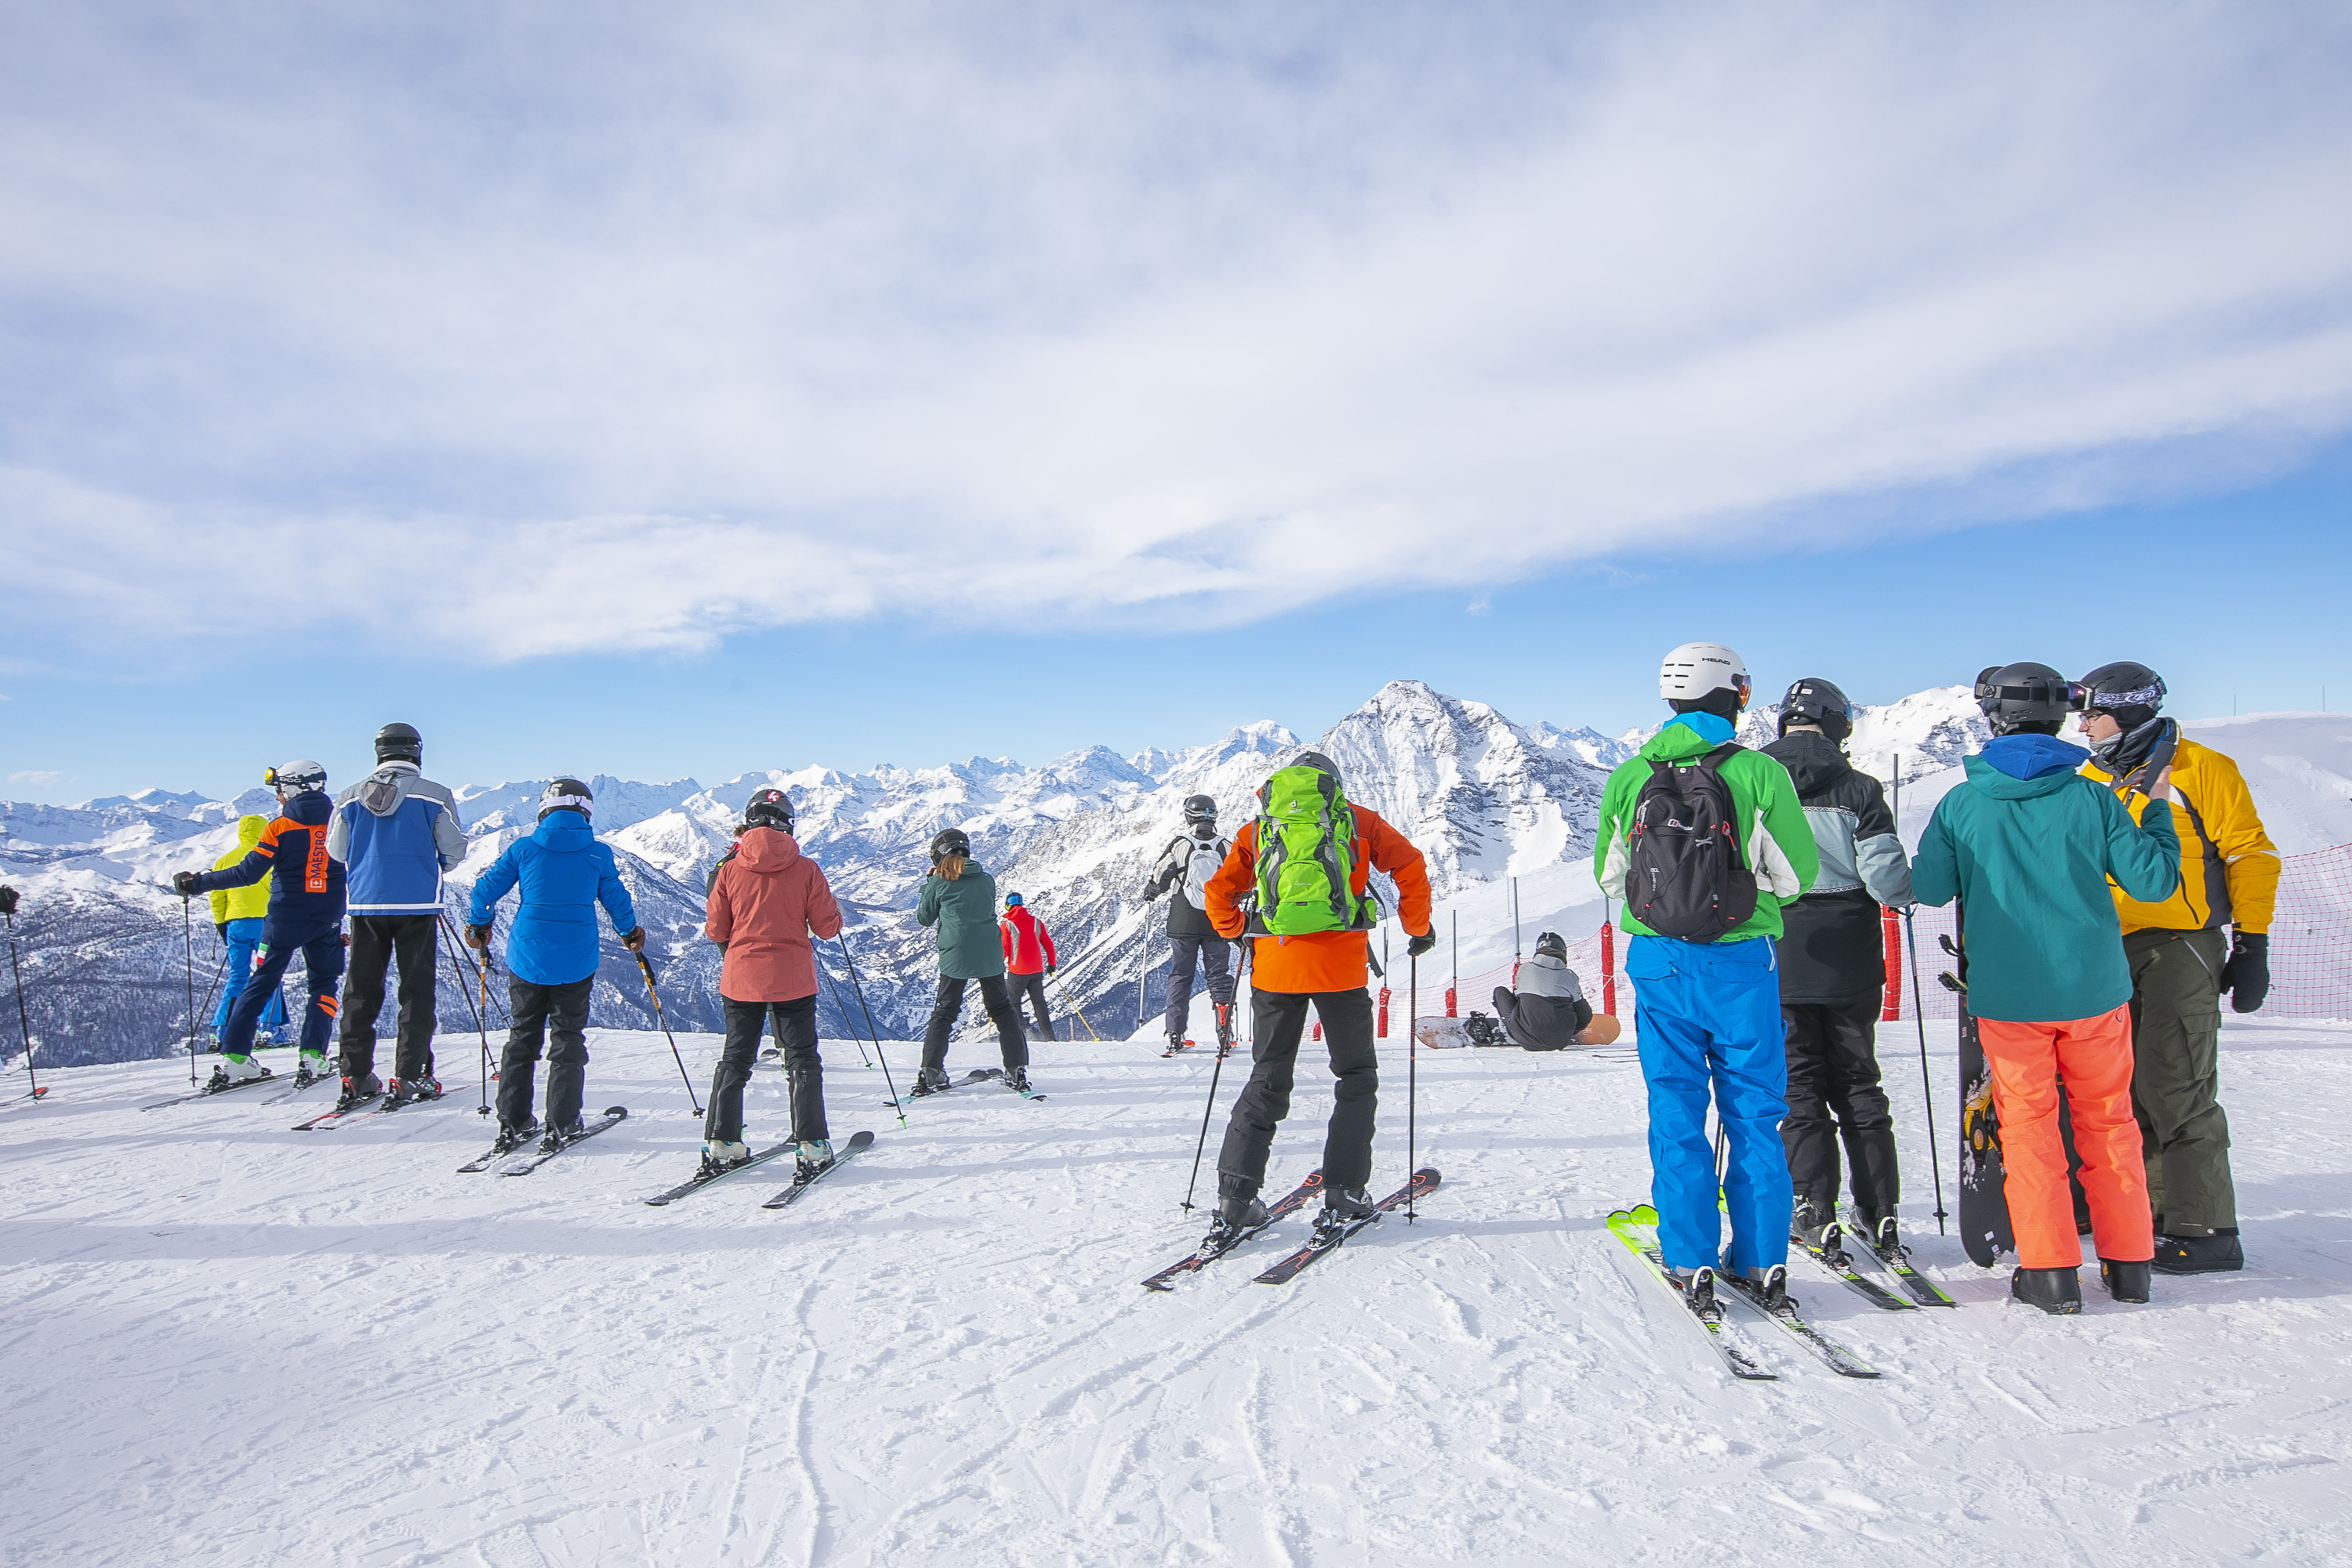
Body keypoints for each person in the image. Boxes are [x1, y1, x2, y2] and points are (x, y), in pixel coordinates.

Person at [1911, 661, 2180, 1313]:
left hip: (2009, 1002)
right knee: (2110, 1124)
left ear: (1993, 719)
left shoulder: (1963, 803)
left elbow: (1929, 889)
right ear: (2060, 718)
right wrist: (2156, 809)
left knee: (2031, 1133)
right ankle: (2130, 1267)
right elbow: (2153, 883)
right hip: (2095, 993)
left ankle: (2050, 1273)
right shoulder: (2093, 798)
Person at [1593, 643, 1818, 1306]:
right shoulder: (1760, 772)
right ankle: (1761, 1260)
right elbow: (1797, 877)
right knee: (1755, 1112)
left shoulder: (1630, 776)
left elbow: (1609, 877)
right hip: (1741, 962)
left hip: (1660, 963)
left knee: (1675, 1107)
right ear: (1733, 695)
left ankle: (1689, 1257)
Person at [2076, 660, 2278, 1275]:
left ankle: (2206, 1227)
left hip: (2179, 944)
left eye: (2094, 714)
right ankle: (2152, 1211)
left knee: (2177, 1081)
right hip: (2107, 947)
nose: (2084, 727)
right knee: (2121, 1086)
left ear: (2130, 711)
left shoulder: (2202, 769)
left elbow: (2250, 853)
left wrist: (2252, 944)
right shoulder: (2091, 777)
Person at [1203, 750, 1433, 1244]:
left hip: (1276, 968)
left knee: (1267, 1077)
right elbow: (1410, 866)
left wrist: (1237, 929)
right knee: (1355, 1076)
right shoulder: (1361, 822)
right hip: (1340, 970)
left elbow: (1218, 891)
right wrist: (1418, 928)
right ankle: (1344, 1192)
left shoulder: (1261, 828)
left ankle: (1235, 1199)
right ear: (1335, 786)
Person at [1759, 677, 1917, 1256]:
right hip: (1852, 954)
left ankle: (1811, 1205)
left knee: (1799, 1082)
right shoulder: (1860, 789)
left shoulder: (1754, 783)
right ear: (1838, 726)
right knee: (1858, 1080)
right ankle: (1880, 1210)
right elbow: (1887, 882)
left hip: (1778, 952)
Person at [465, 779, 644, 1152]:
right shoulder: (597, 853)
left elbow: (484, 891)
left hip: (528, 956)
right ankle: (563, 1122)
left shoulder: (523, 849)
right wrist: (629, 933)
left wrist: (479, 925)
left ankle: (512, 1121)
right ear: (586, 811)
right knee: (568, 1038)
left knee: (522, 1036)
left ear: (544, 809)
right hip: (576, 958)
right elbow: (616, 900)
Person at [171, 762, 347, 1092]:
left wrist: (198, 883)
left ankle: (236, 1058)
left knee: (260, 983)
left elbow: (247, 873)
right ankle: (313, 1057)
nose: (278, 796)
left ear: (294, 788)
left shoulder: (279, 827)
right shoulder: (342, 823)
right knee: (323, 984)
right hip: (327, 920)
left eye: (280, 788)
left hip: (282, 920)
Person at [699, 788, 844, 1180]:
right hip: (793, 978)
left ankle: (722, 1142)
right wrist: (835, 914)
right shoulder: (807, 869)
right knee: (802, 1059)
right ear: (787, 824)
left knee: (735, 1059)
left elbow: (716, 930)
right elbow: (826, 928)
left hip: (742, 977)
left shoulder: (729, 869)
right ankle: (812, 1145)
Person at [328, 722, 467, 1107]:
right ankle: (411, 1074)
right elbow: (453, 850)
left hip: (365, 903)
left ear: (379, 752)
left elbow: (337, 852)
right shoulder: (435, 795)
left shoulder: (349, 797)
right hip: (417, 904)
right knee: (416, 991)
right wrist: (432, 864)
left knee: (360, 990)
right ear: (416, 752)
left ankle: (355, 1075)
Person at [912, 828, 1032, 1094]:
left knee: (944, 1011)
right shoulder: (986, 880)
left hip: (956, 952)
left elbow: (924, 918)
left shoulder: (939, 882)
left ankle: (931, 1071)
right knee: (1002, 1010)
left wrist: (929, 883)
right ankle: (1016, 1069)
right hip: (989, 952)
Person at [1144, 794, 1239, 1054]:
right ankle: (1224, 1031)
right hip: (1217, 918)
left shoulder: (1181, 844)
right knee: (1218, 975)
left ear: (1188, 816)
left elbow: (1161, 877)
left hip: (1183, 918)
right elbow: (1240, 878)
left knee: (1181, 975)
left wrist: (1151, 892)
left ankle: (1175, 1034)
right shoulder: (1225, 846)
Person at [207, 814, 291, 1050]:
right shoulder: (269, 856)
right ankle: (269, 1029)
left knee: (237, 976)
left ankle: (222, 1031)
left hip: (235, 925)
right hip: (266, 924)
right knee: (269, 974)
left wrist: (221, 924)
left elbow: (216, 897)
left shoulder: (224, 860)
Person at [1490, 931, 1598, 1049]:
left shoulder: (1525, 969)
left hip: (1526, 1038)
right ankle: (1556, 1031)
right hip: (1560, 1040)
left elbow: (1518, 998)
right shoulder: (1570, 976)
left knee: (1500, 992)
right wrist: (1571, 1030)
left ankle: (1514, 1025)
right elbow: (1584, 1015)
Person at [998, 892, 1058, 1041]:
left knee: (1014, 1003)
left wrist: (997, 966)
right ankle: (1049, 1037)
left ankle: (1020, 1037)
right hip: (1036, 969)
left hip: (1017, 971)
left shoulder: (1007, 925)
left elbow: (1004, 949)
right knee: (1039, 1002)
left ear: (1008, 906)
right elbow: (1048, 945)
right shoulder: (1036, 922)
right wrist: (1051, 964)